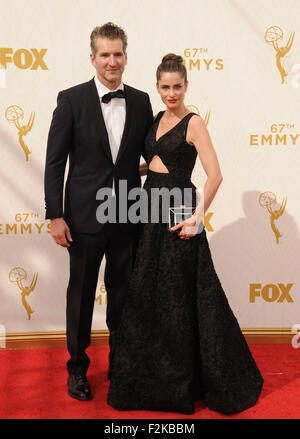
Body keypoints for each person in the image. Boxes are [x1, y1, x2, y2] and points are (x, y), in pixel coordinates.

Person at [107, 54, 263, 414]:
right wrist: (130, 172)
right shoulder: (157, 118)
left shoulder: (194, 124)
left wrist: (197, 217)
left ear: (187, 85)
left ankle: (184, 383)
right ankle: (148, 380)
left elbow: (215, 175)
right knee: (148, 295)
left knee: (179, 300)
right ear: (158, 87)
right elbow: (157, 164)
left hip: (178, 212)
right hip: (149, 210)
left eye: (178, 86)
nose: (171, 93)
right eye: (165, 87)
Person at [44, 23, 153, 401]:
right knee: (82, 295)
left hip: (128, 215)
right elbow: (55, 163)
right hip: (84, 218)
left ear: (126, 57)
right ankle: (77, 370)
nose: (112, 61)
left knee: (124, 296)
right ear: (92, 58)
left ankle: (122, 365)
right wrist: (55, 215)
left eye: (118, 54)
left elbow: (146, 158)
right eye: (104, 54)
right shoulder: (71, 100)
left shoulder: (141, 101)